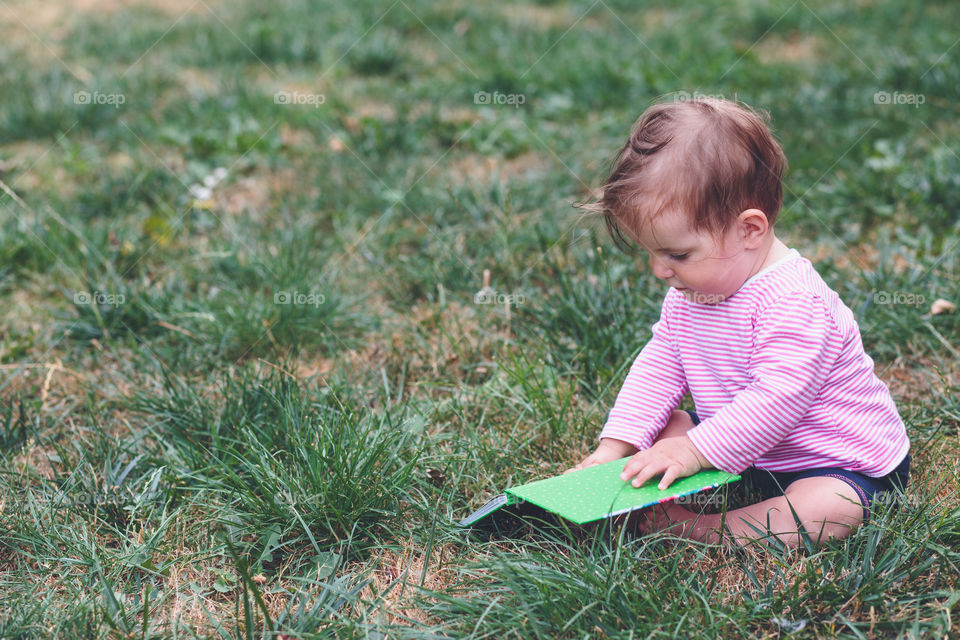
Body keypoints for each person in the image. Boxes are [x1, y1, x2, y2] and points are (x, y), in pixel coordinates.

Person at [569, 97, 910, 547]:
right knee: (668, 423)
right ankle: (633, 489)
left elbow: (776, 400)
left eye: (677, 254)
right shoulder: (693, 290)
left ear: (750, 229)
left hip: (835, 460)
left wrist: (694, 450)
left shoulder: (795, 303)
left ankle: (712, 530)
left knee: (831, 506)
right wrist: (616, 447)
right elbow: (660, 364)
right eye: (650, 252)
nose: (659, 270)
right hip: (746, 449)